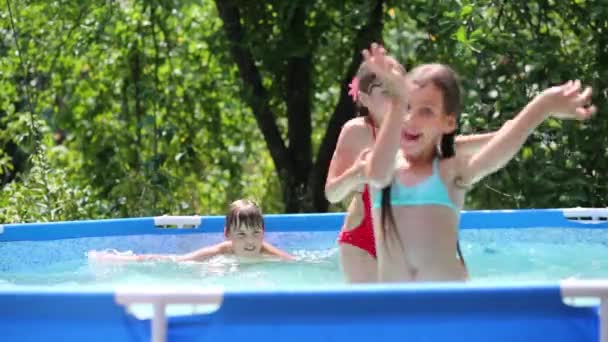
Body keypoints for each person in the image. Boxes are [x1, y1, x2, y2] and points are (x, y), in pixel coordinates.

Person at [361, 43, 595, 282]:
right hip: (398, 310)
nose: (411, 119)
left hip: (452, 305)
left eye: (427, 111)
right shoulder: (384, 165)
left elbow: (498, 153)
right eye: (408, 107)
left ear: (448, 123)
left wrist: (542, 106)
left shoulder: (448, 171)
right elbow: (377, 175)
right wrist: (397, 102)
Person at [325, 57, 506, 283]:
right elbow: (332, 193)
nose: (396, 97)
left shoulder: (414, 127)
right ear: (364, 99)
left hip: (406, 240)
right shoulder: (357, 131)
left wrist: (508, 133)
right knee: (378, 316)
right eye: (386, 90)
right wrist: (359, 173)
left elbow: (455, 144)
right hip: (363, 240)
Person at [88, 199, 294, 262]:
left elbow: (296, 263)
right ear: (227, 235)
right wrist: (126, 260)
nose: (250, 241)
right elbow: (178, 261)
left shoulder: (267, 253)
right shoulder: (222, 252)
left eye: (255, 233)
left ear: (263, 232)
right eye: (241, 234)